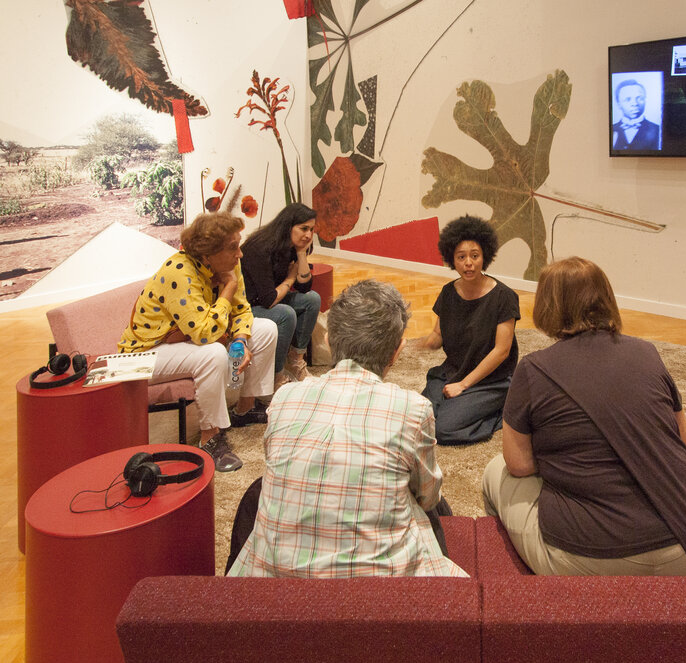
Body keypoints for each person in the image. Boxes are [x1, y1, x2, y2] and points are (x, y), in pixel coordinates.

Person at [482, 257, 686, 576]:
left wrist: (566, 460)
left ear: (546, 306)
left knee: (496, 470)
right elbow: (682, 439)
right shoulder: (646, 352)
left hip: (584, 561)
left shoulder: (533, 369)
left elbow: (519, 464)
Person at [228, 279, 467, 578]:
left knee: (257, 491)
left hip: (278, 589)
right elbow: (428, 497)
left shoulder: (285, 398)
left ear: (328, 341)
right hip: (380, 594)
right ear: (397, 351)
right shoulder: (412, 408)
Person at [117, 211, 278, 473]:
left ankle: (244, 409)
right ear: (207, 255)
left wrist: (239, 340)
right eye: (233, 248)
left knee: (266, 329)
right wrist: (227, 290)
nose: (240, 254)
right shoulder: (179, 271)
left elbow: (242, 310)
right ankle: (210, 438)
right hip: (144, 354)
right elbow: (204, 333)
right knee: (212, 353)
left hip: (182, 341)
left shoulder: (227, 263)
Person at [414, 215, 520, 445]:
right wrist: (417, 342)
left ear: (485, 257)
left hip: (492, 379)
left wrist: (464, 385)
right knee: (420, 420)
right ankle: (462, 401)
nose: (468, 263)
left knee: (444, 430)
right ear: (452, 259)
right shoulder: (448, 293)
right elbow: (438, 336)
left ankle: (503, 409)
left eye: (474, 256)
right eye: (461, 257)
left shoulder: (504, 297)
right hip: (453, 370)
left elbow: (502, 352)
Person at [240, 203, 322, 388]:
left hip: (269, 299)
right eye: (303, 229)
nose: (308, 235)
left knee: (312, 299)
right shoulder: (259, 248)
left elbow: (305, 287)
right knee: (285, 314)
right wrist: (291, 277)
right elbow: (269, 300)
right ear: (288, 226)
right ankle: (276, 376)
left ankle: (295, 361)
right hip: (247, 307)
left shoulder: (292, 245)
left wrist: (301, 254)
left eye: (311, 230)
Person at [612, 79, 661, 150]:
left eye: (639, 98)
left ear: (645, 100)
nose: (635, 103)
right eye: (628, 99)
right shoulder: (611, 129)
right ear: (618, 103)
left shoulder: (658, 130)